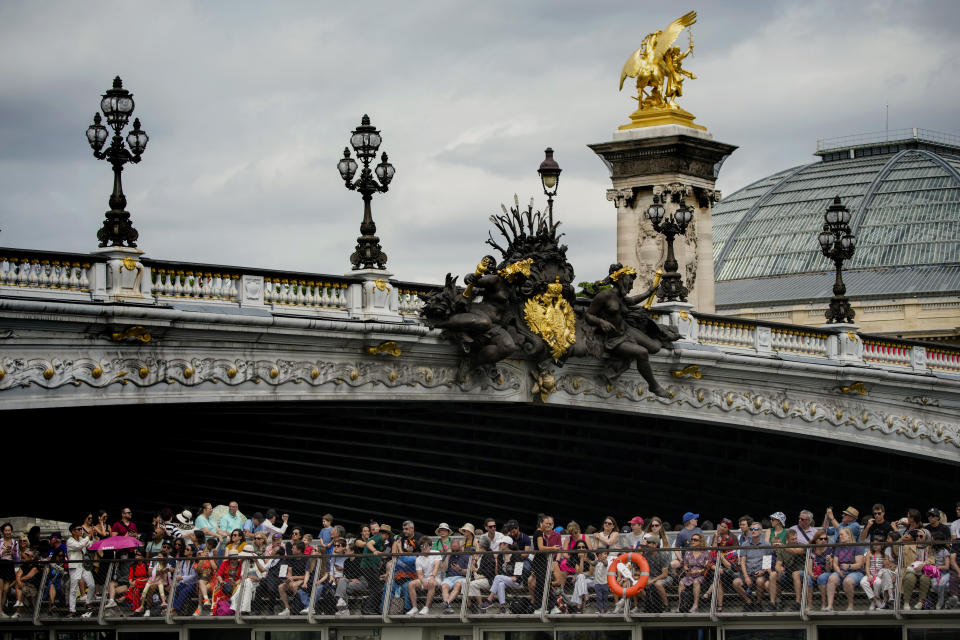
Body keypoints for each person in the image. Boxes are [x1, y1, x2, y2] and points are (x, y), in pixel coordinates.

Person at [583, 263, 676, 395]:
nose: (631, 287)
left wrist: (649, 292)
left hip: (626, 330)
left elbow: (632, 301)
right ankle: (654, 386)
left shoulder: (620, 297)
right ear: (621, 280)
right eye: (630, 283)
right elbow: (588, 315)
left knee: (655, 348)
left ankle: (663, 335)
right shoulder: (604, 296)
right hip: (614, 339)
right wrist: (601, 322)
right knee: (642, 353)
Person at [733, 520, 778, 611]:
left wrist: (762, 571)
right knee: (736, 582)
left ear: (761, 531)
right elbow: (742, 562)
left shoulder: (767, 545)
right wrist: (746, 577)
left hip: (760, 573)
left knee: (760, 581)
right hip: (747, 573)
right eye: (752, 529)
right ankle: (749, 602)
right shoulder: (745, 544)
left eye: (756, 529)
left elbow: (767, 563)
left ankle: (758, 602)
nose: (753, 531)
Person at [824, 526, 864, 611]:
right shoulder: (838, 547)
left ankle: (850, 605)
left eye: (842, 535)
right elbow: (835, 563)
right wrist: (838, 572)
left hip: (856, 572)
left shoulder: (857, 547)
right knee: (831, 578)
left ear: (849, 536)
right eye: (839, 535)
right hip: (841, 571)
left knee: (848, 581)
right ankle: (830, 606)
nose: (840, 537)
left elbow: (859, 564)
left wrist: (849, 566)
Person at [531, 515, 561, 614]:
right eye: (546, 523)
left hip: (541, 561)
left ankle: (543, 607)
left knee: (542, 584)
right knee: (543, 584)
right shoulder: (539, 532)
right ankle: (549, 607)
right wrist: (552, 548)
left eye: (549, 523)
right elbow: (540, 547)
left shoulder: (539, 533)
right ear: (541, 523)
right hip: (539, 561)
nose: (548, 525)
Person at [480, 538, 518, 614]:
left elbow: (518, 573)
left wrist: (514, 577)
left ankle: (489, 600)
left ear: (506, 545)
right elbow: (500, 572)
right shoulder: (501, 556)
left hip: (517, 581)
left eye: (501, 544)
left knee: (497, 577)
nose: (499, 546)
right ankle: (502, 607)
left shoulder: (516, 555)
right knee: (500, 584)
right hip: (505, 580)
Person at [66, 523, 96, 617]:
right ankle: (72, 610)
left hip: (83, 566)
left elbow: (90, 546)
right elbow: (79, 546)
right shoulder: (70, 541)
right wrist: (88, 536)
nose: (80, 531)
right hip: (75, 566)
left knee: (91, 584)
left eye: (81, 529)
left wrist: (93, 537)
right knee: (74, 589)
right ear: (73, 531)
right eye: (78, 529)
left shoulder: (82, 539)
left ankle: (88, 602)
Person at [677, 532, 711, 613]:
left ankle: (695, 605)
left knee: (696, 582)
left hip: (701, 575)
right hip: (690, 574)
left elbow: (707, 567)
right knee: (681, 582)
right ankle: (680, 605)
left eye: (695, 540)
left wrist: (698, 571)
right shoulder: (688, 552)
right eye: (692, 539)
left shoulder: (705, 553)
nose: (692, 541)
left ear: (700, 542)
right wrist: (688, 570)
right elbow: (685, 565)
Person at [406, 537, 441, 615]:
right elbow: (420, 574)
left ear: (430, 546)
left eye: (425, 546)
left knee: (432, 583)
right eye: (422, 546)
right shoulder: (418, 559)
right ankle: (414, 608)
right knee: (411, 584)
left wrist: (432, 577)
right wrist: (423, 581)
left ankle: (426, 608)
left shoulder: (436, 553)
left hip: (436, 578)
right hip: (424, 579)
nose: (423, 548)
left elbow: (436, 567)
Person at [860, 534, 896, 610]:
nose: (875, 546)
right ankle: (875, 600)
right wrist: (869, 575)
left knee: (878, 583)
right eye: (874, 544)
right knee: (863, 582)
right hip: (871, 574)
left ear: (882, 545)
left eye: (877, 544)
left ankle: (874, 602)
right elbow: (867, 566)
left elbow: (886, 567)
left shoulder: (885, 555)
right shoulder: (869, 553)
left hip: (879, 575)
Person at [639, 533, 673, 612]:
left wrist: (652, 580)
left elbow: (665, 574)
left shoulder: (663, 555)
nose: (647, 545)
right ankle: (650, 605)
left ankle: (666, 605)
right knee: (638, 585)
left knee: (658, 584)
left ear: (655, 544)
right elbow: (641, 568)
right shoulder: (646, 555)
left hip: (666, 577)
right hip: (651, 576)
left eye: (649, 543)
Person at [335, 539, 369, 615]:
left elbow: (359, 574)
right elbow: (346, 574)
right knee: (343, 581)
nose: (344, 551)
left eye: (346, 550)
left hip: (361, 581)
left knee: (342, 587)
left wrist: (350, 578)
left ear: (352, 551)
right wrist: (350, 579)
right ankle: (341, 601)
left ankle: (343, 609)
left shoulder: (360, 560)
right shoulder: (346, 561)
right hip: (350, 581)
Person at [774, 528, 805, 611]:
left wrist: (783, 546)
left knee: (796, 574)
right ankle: (778, 601)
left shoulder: (801, 545)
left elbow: (795, 552)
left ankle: (798, 603)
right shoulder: (782, 549)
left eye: (796, 538)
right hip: (788, 574)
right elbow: (777, 564)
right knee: (774, 575)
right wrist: (779, 569)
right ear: (787, 540)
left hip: (802, 573)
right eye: (792, 539)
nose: (795, 541)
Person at [806, 530, 834, 610]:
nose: (823, 541)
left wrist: (828, 562)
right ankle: (810, 605)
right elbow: (809, 564)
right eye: (821, 539)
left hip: (826, 572)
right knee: (808, 579)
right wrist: (811, 574)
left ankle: (824, 604)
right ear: (816, 540)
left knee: (821, 578)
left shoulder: (830, 550)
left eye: (825, 539)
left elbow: (829, 569)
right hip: (814, 571)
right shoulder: (812, 549)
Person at [440, 539, 469, 614]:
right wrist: (448, 556)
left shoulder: (465, 555)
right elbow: (443, 569)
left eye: (456, 546)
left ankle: (447, 603)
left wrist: (460, 569)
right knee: (444, 586)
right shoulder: (447, 555)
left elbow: (469, 571)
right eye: (453, 547)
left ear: (459, 546)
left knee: (457, 585)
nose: (454, 548)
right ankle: (448, 606)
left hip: (461, 577)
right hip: (449, 577)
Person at [11, 548, 41, 618]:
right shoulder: (24, 565)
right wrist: (19, 582)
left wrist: (19, 580)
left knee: (19, 587)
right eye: (25, 554)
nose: (25, 556)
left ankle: (20, 605)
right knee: (18, 586)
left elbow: (27, 577)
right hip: (24, 585)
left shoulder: (35, 566)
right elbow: (18, 574)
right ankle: (19, 604)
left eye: (27, 555)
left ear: (32, 557)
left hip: (34, 587)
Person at [193, 538, 219, 614]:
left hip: (211, 580)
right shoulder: (196, 563)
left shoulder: (209, 559)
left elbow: (215, 568)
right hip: (203, 581)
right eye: (199, 554)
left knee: (201, 587)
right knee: (201, 584)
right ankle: (206, 602)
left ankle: (199, 608)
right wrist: (202, 559)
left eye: (202, 553)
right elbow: (197, 570)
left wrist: (209, 558)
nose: (201, 554)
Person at [172, 542, 199, 614]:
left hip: (193, 584)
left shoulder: (195, 561)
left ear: (192, 552)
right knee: (175, 589)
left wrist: (182, 578)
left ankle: (175, 609)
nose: (185, 550)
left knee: (184, 591)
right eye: (185, 549)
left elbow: (194, 575)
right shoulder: (182, 561)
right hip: (184, 583)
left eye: (187, 549)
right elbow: (180, 573)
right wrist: (179, 577)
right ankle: (173, 608)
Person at [0, 522, 21, 617]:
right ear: (3, 532)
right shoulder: (0, 541)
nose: (8, 532)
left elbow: (17, 559)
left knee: (5, 590)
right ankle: (0, 611)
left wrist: (14, 553)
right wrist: (2, 552)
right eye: (6, 530)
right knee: (0, 589)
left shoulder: (14, 542)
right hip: (1, 565)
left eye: (9, 530)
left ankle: (1, 610)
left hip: (9, 565)